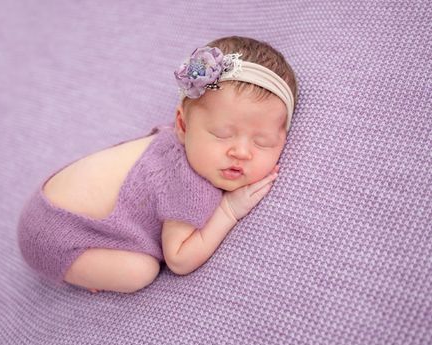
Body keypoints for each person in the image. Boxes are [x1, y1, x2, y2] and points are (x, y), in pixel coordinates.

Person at [17, 36, 298, 294]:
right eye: (222, 134)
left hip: (47, 203)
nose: (241, 152)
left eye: (262, 142)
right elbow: (179, 259)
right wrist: (228, 210)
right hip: (55, 238)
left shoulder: (181, 146)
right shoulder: (190, 185)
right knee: (141, 271)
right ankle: (80, 270)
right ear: (182, 125)